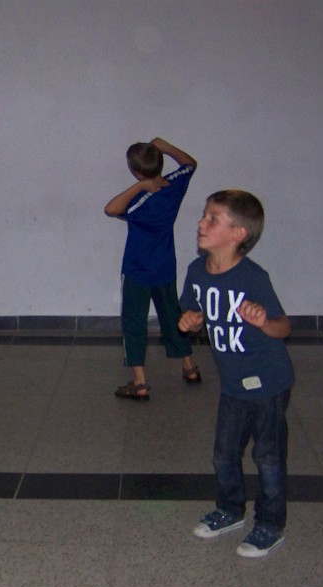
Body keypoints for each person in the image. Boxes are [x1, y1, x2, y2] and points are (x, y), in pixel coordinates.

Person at [179, 190, 294, 558]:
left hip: (268, 382)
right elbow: (192, 314)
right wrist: (190, 322)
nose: (201, 222)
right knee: (224, 454)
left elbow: (283, 327)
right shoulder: (197, 271)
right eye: (204, 215)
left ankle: (270, 524)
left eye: (213, 219)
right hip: (232, 383)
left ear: (238, 233)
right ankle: (230, 510)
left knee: (268, 457)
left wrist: (263, 322)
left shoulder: (253, 277)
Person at [104, 137, 201, 400]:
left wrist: (141, 186)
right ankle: (190, 367)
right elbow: (190, 164)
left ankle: (140, 381)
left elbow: (111, 209)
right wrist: (167, 148)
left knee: (134, 320)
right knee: (172, 316)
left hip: (137, 269)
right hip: (165, 265)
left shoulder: (140, 200)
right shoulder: (175, 184)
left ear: (136, 172)